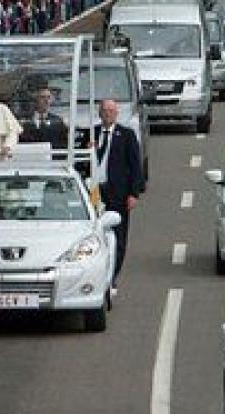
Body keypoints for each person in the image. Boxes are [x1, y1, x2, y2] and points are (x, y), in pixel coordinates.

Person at [94, 98, 143, 286]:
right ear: (99, 113)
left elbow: (135, 166)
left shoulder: (127, 135)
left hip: (118, 193)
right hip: (96, 192)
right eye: (104, 110)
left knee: (118, 235)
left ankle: (112, 275)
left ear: (116, 114)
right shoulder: (93, 133)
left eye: (111, 111)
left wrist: (133, 193)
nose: (107, 114)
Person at [20, 88, 67, 152]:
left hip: (51, 159)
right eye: (42, 97)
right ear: (36, 100)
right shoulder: (24, 120)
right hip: (29, 157)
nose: (46, 100)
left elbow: (63, 145)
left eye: (48, 97)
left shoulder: (58, 121)